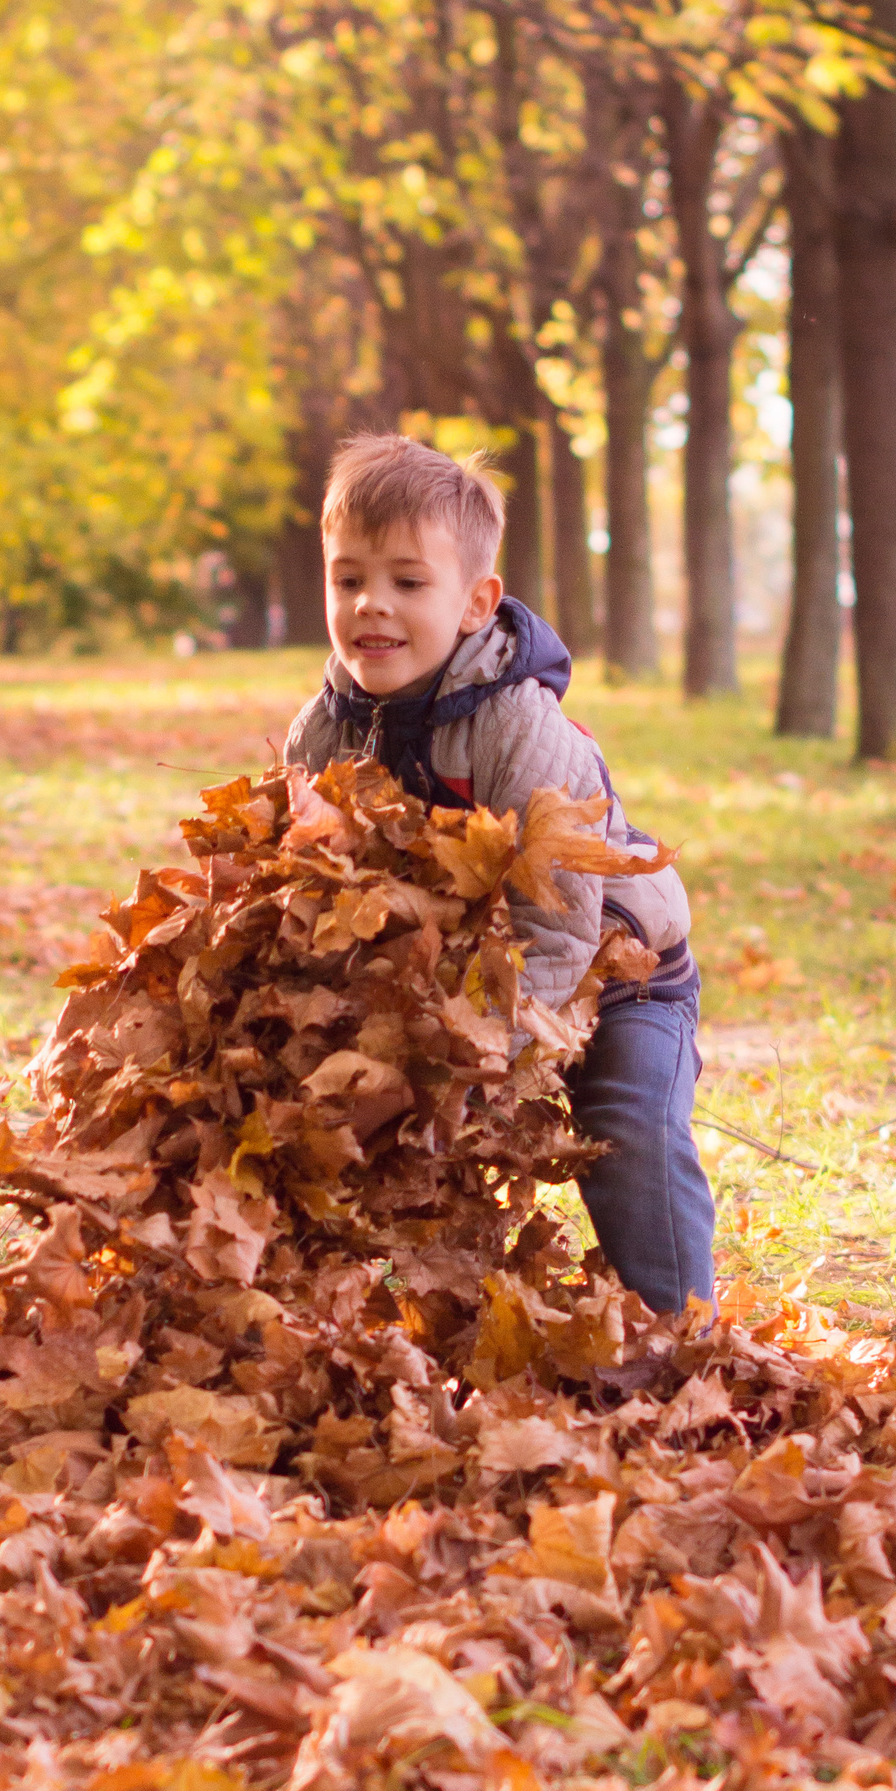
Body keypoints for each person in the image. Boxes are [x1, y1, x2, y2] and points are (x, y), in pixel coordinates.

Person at [281, 430, 716, 1314]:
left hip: (613, 966)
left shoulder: (520, 728)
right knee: (372, 1133)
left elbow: (558, 930)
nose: (372, 604)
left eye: (408, 582)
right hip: (453, 981)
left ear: (478, 602)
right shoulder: (320, 734)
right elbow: (308, 894)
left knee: (627, 1128)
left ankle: (682, 1330)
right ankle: (410, 1320)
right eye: (348, 577)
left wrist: (476, 1064)